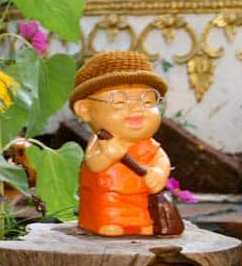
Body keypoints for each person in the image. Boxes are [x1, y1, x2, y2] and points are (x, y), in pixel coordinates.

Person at [69, 51, 171, 236]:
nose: (136, 107)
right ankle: (108, 223)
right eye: (119, 101)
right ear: (85, 110)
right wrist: (107, 155)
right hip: (109, 196)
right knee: (109, 211)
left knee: (143, 217)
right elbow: (93, 163)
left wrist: (158, 172)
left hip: (140, 198)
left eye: (147, 100)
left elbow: (161, 159)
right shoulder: (101, 141)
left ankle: (140, 226)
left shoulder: (148, 143)